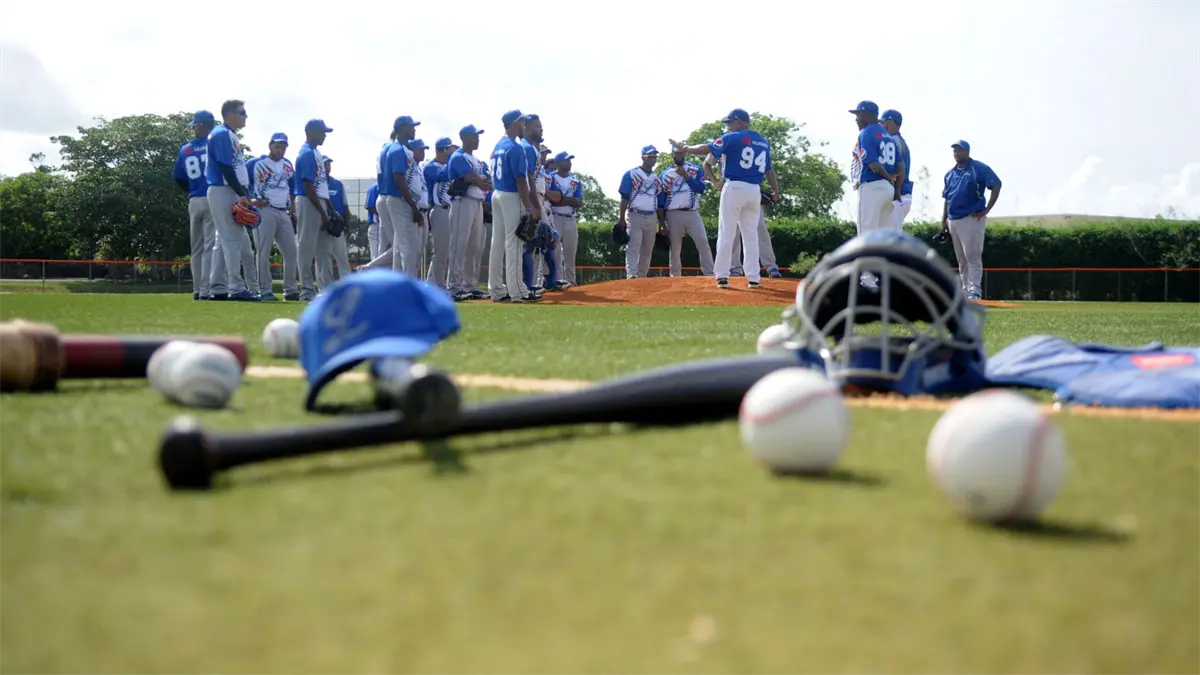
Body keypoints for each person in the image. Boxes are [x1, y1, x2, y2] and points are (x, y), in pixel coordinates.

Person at [671, 108, 780, 289]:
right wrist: (776, 191)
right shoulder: (762, 141)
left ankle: (722, 275)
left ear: (739, 122)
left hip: (734, 187)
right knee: (750, 235)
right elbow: (769, 170)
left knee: (726, 232)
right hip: (754, 190)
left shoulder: (733, 138)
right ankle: (753, 277)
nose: (728, 126)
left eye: (730, 122)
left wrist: (686, 148)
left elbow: (708, 148)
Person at [203, 99, 260, 301]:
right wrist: (242, 195)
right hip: (222, 189)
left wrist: (244, 194)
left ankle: (217, 288)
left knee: (224, 241)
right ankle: (235, 288)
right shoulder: (221, 134)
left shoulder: (230, 135)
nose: (245, 116)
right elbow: (226, 168)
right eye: (242, 112)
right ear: (230, 114)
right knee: (232, 240)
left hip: (228, 190)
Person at [488, 109, 539, 303]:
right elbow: (521, 180)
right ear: (515, 124)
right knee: (514, 242)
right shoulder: (515, 147)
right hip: (511, 195)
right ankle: (518, 291)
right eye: (522, 123)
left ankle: (496, 289)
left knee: (497, 243)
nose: (523, 126)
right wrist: (528, 207)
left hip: (497, 193)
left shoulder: (497, 146)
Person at [942, 140, 1002, 301]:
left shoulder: (978, 168)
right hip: (953, 219)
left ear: (967, 151)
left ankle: (975, 291)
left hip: (971, 217)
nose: (956, 153)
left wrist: (987, 208)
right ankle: (965, 290)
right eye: (954, 150)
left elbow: (996, 184)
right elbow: (947, 198)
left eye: (959, 150)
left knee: (972, 256)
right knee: (961, 259)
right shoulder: (950, 174)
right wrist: (943, 221)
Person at [247, 132, 299, 301]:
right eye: (277, 145)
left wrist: (292, 207)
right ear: (270, 145)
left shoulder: (287, 164)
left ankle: (290, 290)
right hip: (264, 210)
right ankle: (265, 291)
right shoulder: (255, 163)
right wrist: (251, 201)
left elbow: (292, 187)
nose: (281, 149)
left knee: (292, 251)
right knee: (263, 251)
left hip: (283, 211)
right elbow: (239, 182)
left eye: (283, 146)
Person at [172, 110, 216, 300]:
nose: (195, 129)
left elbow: (178, 178)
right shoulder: (214, 144)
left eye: (196, 125)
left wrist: (191, 190)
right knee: (208, 246)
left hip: (194, 199)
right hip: (211, 197)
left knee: (196, 248)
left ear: (203, 125)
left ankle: (197, 290)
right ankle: (205, 291)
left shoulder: (185, 149)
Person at [445, 124, 492, 301]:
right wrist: (480, 179)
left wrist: (480, 179)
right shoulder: (458, 156)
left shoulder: (478, 161)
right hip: (462, 202)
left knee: (475, 247)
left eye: (478, 136)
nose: (477, 139)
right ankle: (454, 286)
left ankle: (470, 285)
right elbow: (469, 177)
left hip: (477, 202)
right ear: (463, 138)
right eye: (474, 136)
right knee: (459, 245)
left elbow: (485, 179)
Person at [292, 118, 334, 301]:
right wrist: (323, 212)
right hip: (309, 202)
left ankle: (325, 291)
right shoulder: (307, 153)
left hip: (319, 202)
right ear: (311, 132)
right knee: (306, 248)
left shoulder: (316, 153)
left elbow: (321, 187)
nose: (325, 135)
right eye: (322, 131)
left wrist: (331, 210)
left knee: (323, 250)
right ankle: (307, 290)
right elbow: (308, 185)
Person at [658, 148, 715, 278]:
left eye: (681, 153)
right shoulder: (665, 174)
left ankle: (710, 273)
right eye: (676, 153)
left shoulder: (694, 169)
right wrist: (662, 222)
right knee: (675, 248)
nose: (679, 155)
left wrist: (686, 176)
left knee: (703, 242)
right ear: (672, 154)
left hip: (692, 212)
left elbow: (701, 188)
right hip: (673, 213)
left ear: (685, 153)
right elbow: (661, 200)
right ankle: (675, 276)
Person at [380, 116, 424, 277]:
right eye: (411, 126)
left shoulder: (397, 148)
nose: (414, 129)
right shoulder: (397, 150)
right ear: (402, 128)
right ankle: (408, 289)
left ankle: (398, 287)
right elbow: (399, 179)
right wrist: (413, 207)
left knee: (400, 248)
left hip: (399, 199)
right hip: (400, 200)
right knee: (409, 248)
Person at [616, 146, 666, 279]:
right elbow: (624, 197)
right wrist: (621, 218)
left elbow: (660, 204)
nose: (653, 158)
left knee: (647, 249)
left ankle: (642, 277)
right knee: (633, 246)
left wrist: (662, 223)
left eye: (655, 156)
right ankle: (632, 275)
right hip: (634, 214)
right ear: (643, 157)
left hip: (651, 215)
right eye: (650, 156)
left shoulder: (657, 179)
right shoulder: (631, 174)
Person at [424, 137, 456, 289]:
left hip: (450, 211)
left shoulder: (447, 165)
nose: (447, 154)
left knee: (445, 252)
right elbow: (441, 176)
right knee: (440, 252)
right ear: (438, 150)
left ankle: (431, 285)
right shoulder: (430, 167)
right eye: (445, 150)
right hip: (439, 210)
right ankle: (439, 286)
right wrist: (453, 159)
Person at [547, 151, 583, 287]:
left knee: (570, 254)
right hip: (554, 216)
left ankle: (571, 283)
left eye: (570, 160)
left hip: (570, 218)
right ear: (558, 163)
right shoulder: (550, 178)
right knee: (555, 253)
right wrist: (568, 200)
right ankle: (557, 281)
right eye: (566, 160)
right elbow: (551, 200)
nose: (569, 163)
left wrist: (562, 199)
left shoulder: (575, 181)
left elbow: (578, 202)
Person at [320, 156, 352, 286]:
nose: (327, 166)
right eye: (325, 164)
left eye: (328, 164)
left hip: (337, 226)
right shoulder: (316, 183)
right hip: (322, 225)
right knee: (324, 259)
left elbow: (345, 207)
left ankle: (346, 286)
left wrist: (347, 226)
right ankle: (325, 289)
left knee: (342, 258)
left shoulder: (337, 184)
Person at [881, 109, 913, 231]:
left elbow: (899, 170)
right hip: (902, 193)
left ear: (890, 122)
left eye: (882, 122)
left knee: (890, 237)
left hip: (900, 194)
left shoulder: (893, 141)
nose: (881, 125)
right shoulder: (896, 140)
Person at [365, 182, 380, 260]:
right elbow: (370, 206)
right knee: (376, 257)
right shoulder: (374, 187)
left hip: (388, 226)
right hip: (376, 226)